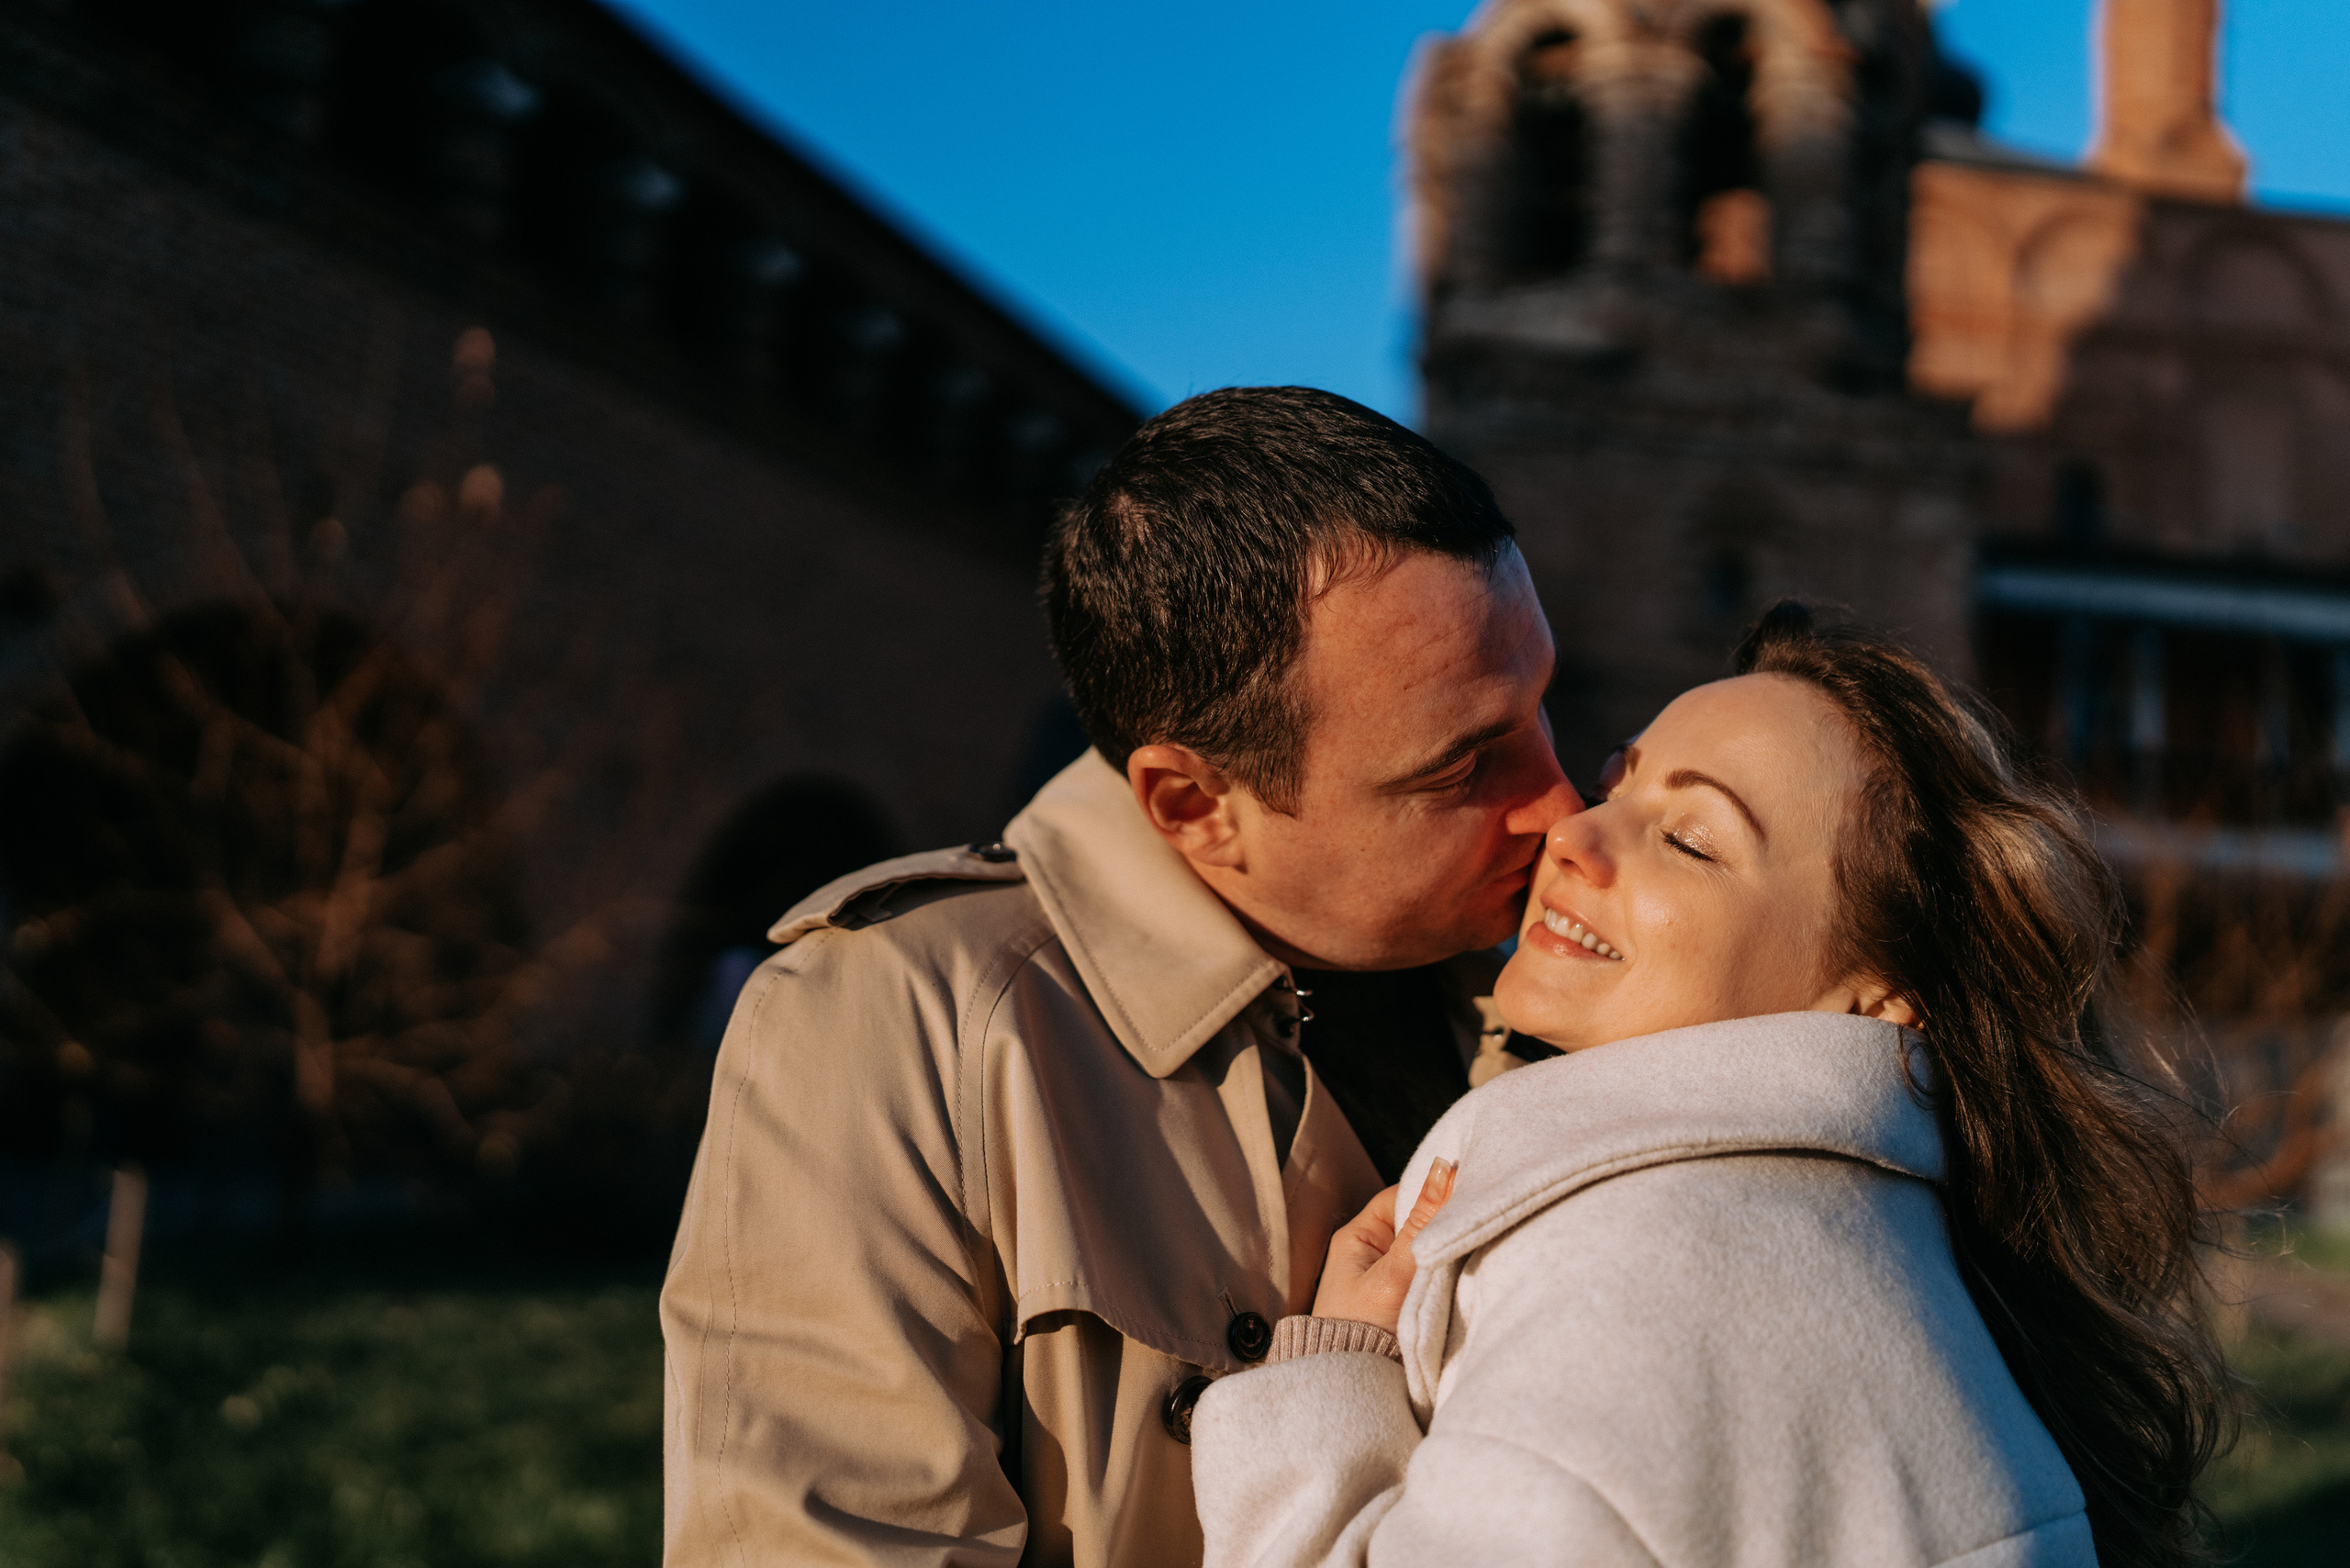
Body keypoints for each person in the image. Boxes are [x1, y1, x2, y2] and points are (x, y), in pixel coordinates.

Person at [659, 386, 1580, 1565]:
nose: (1562, 805)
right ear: (1196, 806)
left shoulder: (1562, 997)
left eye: (1541, 706)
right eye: (1465, 763)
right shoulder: (900, 1021)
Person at [1192, 606, 2227, 1568]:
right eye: (1616, 783)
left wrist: (1331, 1387)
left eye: (1689, 838)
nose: (1572, 833)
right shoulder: (1878, 1251)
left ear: (1877, 993)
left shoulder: (1638, 1284)